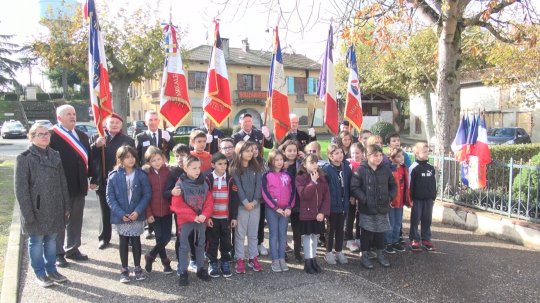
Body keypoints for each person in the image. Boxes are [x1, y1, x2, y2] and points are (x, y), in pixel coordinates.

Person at [15, 122, 71, 287]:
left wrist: (66, 205)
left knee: (52, 240)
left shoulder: (55, 154)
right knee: (37, 241)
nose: (45, 136)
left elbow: (63, 182)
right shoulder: (24, 158)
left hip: (54, 208)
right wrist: (28, 214)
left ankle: (52, 270)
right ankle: (40, 273)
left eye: (47, 133)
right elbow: (21, 189)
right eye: (41, 134)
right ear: (32, 137)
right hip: (35, 209)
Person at [50, 104, 96, 267]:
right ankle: (58, 253)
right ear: (59, 118)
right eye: (68, 114)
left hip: (79, 185)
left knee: (76, 220)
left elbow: (89, 159)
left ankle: (73, 249)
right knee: (60, 220)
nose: (72, 116)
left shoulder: (82, 135)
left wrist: (94, 177)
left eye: (74, 113)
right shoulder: (52, 136)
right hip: (60, 186)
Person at [106, 145, 151, 283]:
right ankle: (124, 269)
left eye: (132, 156)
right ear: (120, 159)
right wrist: (120, 213)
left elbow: (147, 194)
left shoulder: (141, 175)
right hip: (121, 215)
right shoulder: (113, 176)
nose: (131, 159)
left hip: (136, 214)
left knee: (136, 241)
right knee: (123, 241)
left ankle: (137, 267)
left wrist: (138, 211)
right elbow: (110, 197)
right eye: (127, 157)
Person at [90, 113, 135, 250]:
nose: (114, 124)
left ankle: (127, 237)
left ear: (121, 125)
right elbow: (91, 159)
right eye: (112, 122)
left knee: (125, 209)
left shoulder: (128, 140)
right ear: (106, 124)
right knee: (105, 211)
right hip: (103, 180)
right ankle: (104, 237)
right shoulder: (97, 138)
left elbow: (133, 161)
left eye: (117, 122)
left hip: (122, 181)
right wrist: (96, 146)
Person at [350, 145, 397, 269]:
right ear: (368, 156)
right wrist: (365, 199)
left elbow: (393, 186)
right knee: (366, 232)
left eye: (380, 155)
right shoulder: (361, 170)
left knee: (381, 231)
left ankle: (380, 254)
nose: (379, 158)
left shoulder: (385, 169)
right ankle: (364, 255)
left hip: (382, 206)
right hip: (367, 207)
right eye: (375, 155)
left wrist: (390, 197)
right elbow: (354, 187)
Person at [170, 156, 214, 286]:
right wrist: (192, 216)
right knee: (184, 246)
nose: (197, 171)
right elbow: (177, 204)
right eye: (194, 168)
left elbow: (209, 200)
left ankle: (200, 269)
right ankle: (183, 271)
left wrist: (205, 215)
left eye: (199, 168)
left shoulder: (203, 182)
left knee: (200, 244)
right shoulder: (180, 184)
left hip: (200, 220)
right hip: (185, 221)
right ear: (185, 168)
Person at [135, 110, 174, 239]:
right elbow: (136, 155)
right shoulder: (140, 136)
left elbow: (175, 150)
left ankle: (164, 225)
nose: (152, 122)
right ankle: (149, 227)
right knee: (149, 197)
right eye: (150, 120)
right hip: (147, 173)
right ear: (146, 122)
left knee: (162, 196)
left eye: (155, 119)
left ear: (158, 121)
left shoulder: (165, 134)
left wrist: (170, 138)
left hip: (162, 172)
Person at [230, 141, 264, 273]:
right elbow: (237, 187)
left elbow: (259, 186)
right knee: (240, 234)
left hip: (255, 206)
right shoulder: (234, 169)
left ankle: (253, 257)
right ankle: (239, 258)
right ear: (239, 152)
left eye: (252, 150)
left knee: (253, 234)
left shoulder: (257, 168)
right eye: (247, 151)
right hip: (241, 207)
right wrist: (245, 202)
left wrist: (255, 202)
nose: (250, 153)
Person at [205, 152, 239, 278]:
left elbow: (234, 200)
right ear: (213, 165)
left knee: (226, 241)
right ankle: (212, 262)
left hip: (225, 217)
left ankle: (225, 261)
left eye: (225, 164)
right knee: (212, 241)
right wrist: (207, 216)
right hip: (213, 217)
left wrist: (234, 217)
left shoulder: (230, 179)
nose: (223, 166)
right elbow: (204, 199)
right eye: (220, 164)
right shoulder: (208, 179)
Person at [295, 154, 330, 274]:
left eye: (316, 162)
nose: (315, 165)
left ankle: (313, 259)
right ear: (304, 164)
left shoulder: (322, 177)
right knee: (307, 237)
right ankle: (308, 261)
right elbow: (304, 195)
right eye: (311, 162)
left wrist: (322, 212)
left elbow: (326, 197)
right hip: (306, 213)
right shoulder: (300, 178)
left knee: (315, 236)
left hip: (318, 214)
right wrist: (313, 182)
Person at [261, 150, 295, 272]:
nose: (279, 162)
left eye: (281, 159)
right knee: (273, 234)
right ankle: (275, 260)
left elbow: (293, 192)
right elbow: (265, 193)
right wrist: (276, 208)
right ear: (271, 161)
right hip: (272, 210)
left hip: (285, 211)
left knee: (283, 235)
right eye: (276, 160)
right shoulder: (266, 176)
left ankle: (282, 258)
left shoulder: (288, 175)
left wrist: (289, 207)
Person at [142, 146, 173, 274]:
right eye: (153, 160)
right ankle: (165, 262)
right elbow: (145, 196)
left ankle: (150, 256)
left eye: (159, 159)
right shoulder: (146, 174)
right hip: (154, 212)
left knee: (166, 238)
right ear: (149, 162)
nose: (157, 162)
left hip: (167, 211)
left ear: (163, 158)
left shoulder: (168, 171)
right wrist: (148, 214)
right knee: (160, 239)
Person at [321, 144, 352, 265]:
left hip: (344, 205)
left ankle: (339, 251)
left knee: (340, 229)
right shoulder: (326, 169)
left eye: (341, 152)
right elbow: (323, 188)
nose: (340, 155)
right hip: (332, 205)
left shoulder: (346, 167)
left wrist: (352, 197)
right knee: (331, 229)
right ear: (330, 155)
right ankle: (328, 252)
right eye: (336, 153)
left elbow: (350, 183)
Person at [163, 144, 191, 265]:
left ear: (188, 156)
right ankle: (181, 262)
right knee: (181, 237)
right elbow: (166, 192)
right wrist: (172, 192)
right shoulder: (173, 172)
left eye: (183, 155)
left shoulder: (194, 169)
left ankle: (194, 259)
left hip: (194, 208)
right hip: (180, 211)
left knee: (194, 236)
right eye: (177, 155)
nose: (180, 158)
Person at [408, 142, 437, 252]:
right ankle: (414, 239)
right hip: (417, 199)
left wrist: (433, 197)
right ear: (417, 153)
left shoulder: (431, 168)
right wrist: (410, 199)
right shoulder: (413, 168)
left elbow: (434, 183)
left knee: (427, 219)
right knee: (415, 219)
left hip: (428, 199)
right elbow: (410, 185)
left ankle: (426, 239)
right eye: (424, 152)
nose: (426, 153)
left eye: (427, 151)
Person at [279, 139, 303, 262]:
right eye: (289, 150)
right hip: (284, 202)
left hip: (298, 201)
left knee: (297, 229)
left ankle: (298, 252)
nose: (292, 153)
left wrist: (305, 157)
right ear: (284, 151)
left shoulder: (301, 163)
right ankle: (282, 251)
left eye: (295, 150)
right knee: (282, 229)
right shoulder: (280, 164)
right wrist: (284, 169)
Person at [385, 147, 411, 254]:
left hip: (400, 201)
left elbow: (407, 185)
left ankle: (395, 241)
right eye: (399, 156)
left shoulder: (404, 168)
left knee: (397, 223)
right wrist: (388, 199)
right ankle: (388, 243)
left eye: (402, 155)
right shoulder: (389, 169)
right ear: (392, 158)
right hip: (392, 201)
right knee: (390, 223)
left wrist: (408, 199)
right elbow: (387, 186)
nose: (402, 158)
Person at [345, 143, 365, 253]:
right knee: (350, 217)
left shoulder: (365, 164)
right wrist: (351, 195)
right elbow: (347, 181)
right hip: (351, 195)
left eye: (357, 153)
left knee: (360, 217)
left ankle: (358, 237)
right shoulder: (348, 164)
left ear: (362, 153)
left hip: (362, 195)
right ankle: (349, 239)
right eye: (352, 153)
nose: (355, 155)